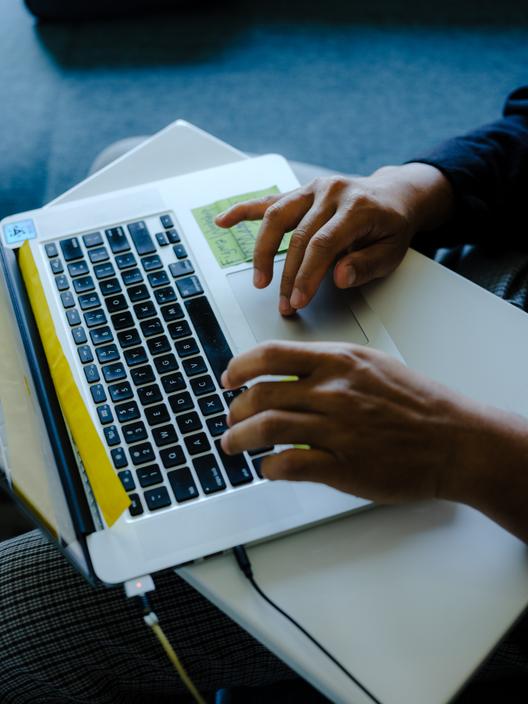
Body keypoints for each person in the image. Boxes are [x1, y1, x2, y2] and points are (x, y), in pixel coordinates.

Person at [1, 87, 528, 703]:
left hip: (501, 505)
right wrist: (413, 186)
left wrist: (469, 452)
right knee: (127, 168)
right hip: (504, 275)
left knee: (11, 621)